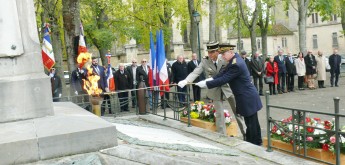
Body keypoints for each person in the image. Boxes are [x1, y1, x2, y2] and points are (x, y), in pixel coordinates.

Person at [196, 44, 262, 146]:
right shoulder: (233, 60)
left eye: (223, 54)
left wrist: (207, 84)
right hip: (247, 96)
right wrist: (211, 79)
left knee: (251, 122)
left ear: (231, 52)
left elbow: (224, 79)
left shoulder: (236, 64)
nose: (222, 56)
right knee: (252, 121)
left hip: (246, 97)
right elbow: (222, 74)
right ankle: (257, 141)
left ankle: (253, 144)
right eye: (221, 54)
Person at [178, 41, 246, 139]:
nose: (209, 54)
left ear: (217, 52)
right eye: (208, 52)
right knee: (219, 113)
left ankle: (245, 133)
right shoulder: (205, 61)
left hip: (228, 88)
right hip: (214, 89)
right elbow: (196, 72)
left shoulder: (225, 58)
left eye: (212, 52)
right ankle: (222, 136)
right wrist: (186, 80)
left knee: (237, 111)